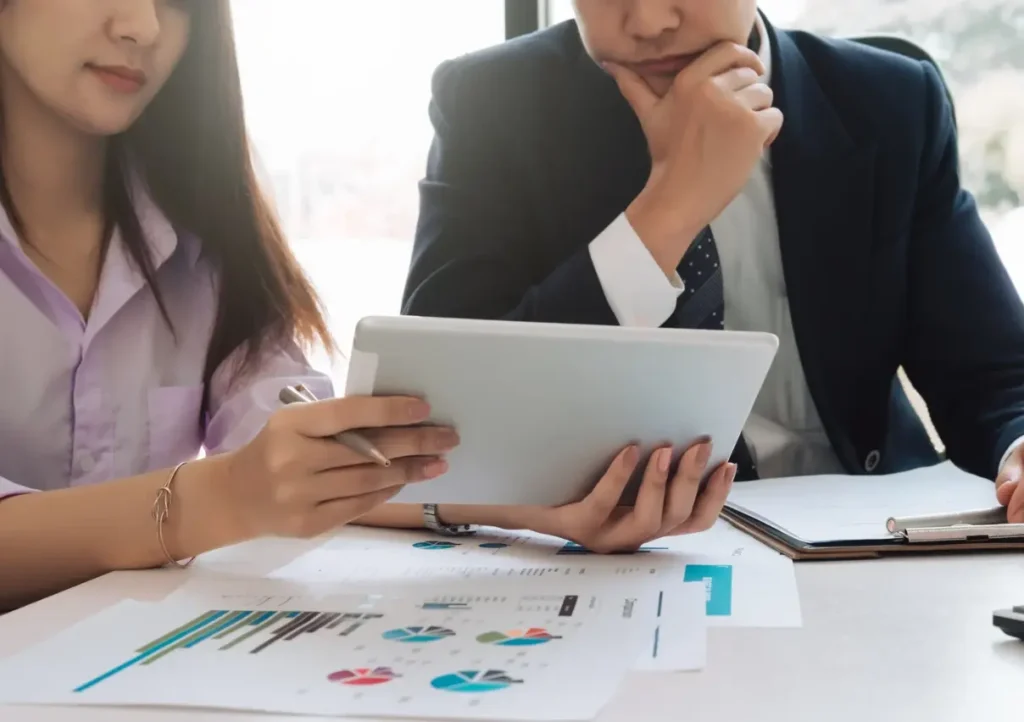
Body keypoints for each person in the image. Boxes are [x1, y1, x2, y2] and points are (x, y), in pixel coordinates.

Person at [0, 0, 730, 612]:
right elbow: (248, 485)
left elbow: (309, 460)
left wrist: (531, 509)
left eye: (178, 0)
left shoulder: (200, 242)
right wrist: (221, 496)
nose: (144, 27)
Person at [402, 0, 1024, 524]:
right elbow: (449, 402)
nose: (647, 21)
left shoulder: (889, 99)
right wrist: (671, 205)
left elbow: (992, 375)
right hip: (623, 543)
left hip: (871, 529)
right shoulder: (494, 103)